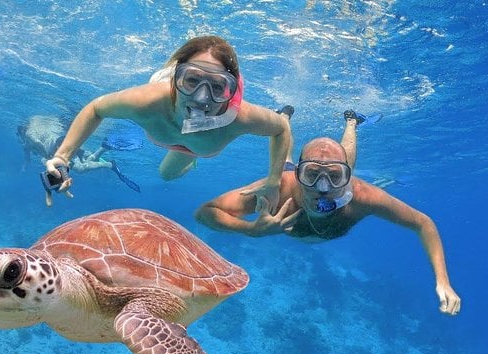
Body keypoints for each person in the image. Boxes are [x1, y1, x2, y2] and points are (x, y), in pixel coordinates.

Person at [195, 111, 462, 316]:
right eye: (311, 174)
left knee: (344, 160)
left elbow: (423, 223)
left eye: (335, 177)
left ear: (347, 179)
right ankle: (283, 119)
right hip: (289, 173)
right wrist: (251, 230)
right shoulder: (280, 188)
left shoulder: (363, 196)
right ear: (300, 174)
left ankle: (352, 122)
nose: (323, 188)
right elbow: (204, 212)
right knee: (284, 164)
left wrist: (443, 281)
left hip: (336, 177)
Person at [44, 35, 293, 207]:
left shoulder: (240, 118)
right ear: (175, 79)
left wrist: (273, 182)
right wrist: (62, 157)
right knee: (166, 175)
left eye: (218, 87)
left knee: (167, 174)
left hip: (196, 145)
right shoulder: (147, 102)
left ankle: (195, 150)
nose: (202, 98)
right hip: (189, 137)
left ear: (230, 91)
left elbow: (281, 129)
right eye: (192, 80)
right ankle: (192, 152)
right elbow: (95, 109)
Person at [17, 115, 142, 201]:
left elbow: (38, 144)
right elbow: (27, 159)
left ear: (22, 131)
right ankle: (104, 148)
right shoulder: (26, 144)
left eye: (19, 134)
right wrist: (24, 168)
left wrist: (49, 158)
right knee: (84, 159)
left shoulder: (29, 135)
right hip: (62, 143)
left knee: (81, 169)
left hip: (59, 147)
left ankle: (110, 164)